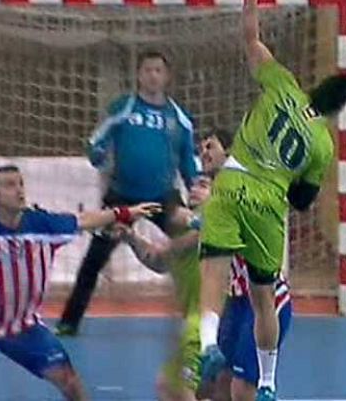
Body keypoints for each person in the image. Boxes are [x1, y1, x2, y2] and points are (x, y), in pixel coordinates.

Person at [197, 0, 346, 401]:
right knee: (263, 294)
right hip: (268, 203)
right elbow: (302, 199)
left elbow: (250, 38)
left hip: (234, 183)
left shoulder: (283, 84)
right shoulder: (322, 143)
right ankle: (268, 382)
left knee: (213, 269)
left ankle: (207, 345)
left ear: (313, 88)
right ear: (333, 111)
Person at [0, 165, 160, 401]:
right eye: (10, 185)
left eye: (21, 183)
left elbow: (84, 220)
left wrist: (124, 212)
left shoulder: (41, 224)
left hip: (23, 327)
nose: (19, 190)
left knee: (70, 382)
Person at [120, 128, 293, 401]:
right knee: (215, 387)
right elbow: (167, 248)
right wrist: (131, 232)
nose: (203, 153)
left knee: (241, 390)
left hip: (264, 300)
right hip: (234, 304)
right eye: (201, 149)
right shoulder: (209, 211)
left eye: (210, 146)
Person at [55, 49, 198, 336]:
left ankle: (197, 317)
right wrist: (97, 154)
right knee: (94, 259)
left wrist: (196, 191)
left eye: (158, 70)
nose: (153, 75)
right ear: (139, 75)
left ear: (167, 76)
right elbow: (96, 141)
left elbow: (188, 161)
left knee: (191, 252)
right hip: (122, 197)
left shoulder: (180, 117)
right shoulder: (124, 107)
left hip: (164, 197)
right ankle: (69, 321)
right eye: (147, 70)